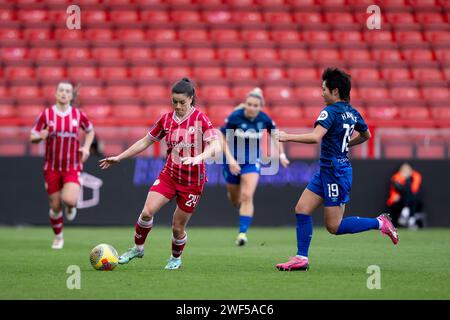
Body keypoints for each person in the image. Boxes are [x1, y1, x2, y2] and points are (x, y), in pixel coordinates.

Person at [275, 67, 399, 271]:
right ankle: (301, 258)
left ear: (335, 91)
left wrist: (287, 136)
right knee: (302, 209)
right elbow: (367, 135)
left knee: (334, 227)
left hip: (335, 173)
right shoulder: (352, 112)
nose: (321, 92)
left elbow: (316, 137)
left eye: (324, 88)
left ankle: (380, 223)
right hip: (328, 170)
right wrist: (346, 145)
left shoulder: (330, 111)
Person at [99, 78, 221, 270]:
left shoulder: (200, 119)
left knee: (177, 227)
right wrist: (120, 157)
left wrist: (200, 157)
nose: (178, 106)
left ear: (191, 99)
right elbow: (145, 141)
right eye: (175, 102)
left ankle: (175, 258)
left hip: (192, 182)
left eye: (182, 102)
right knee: (147, 212)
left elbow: (216, 145)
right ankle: (138, 248)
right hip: (170, 175)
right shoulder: (165, 120)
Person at [220, 88, 290, 246]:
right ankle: (236, 200)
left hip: (251, 162)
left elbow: (275, 135)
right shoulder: (235, 117)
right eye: (249, 104)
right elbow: (222, 137)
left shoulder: (264, 119)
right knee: (235, 200)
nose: (252, 108)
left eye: (255, 105)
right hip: (232, 162)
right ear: (245, 104)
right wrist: (230, 160)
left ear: (260, 107)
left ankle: (242, 233)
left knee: (247, 196)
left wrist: (281, 155)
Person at [30, 81, 95, 249]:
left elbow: (90, 130)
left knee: (70, 200)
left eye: (67, 91)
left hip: (71, 165)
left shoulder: (78, 115)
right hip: (51, 166)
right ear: (56, 93)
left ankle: (71, 207)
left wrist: (86, 147)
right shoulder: (46, 115)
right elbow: (33, 136)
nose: (64, 93)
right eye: (61, 90)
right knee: (55, 205)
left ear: (71, 95)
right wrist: (40, 136)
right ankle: (58, 237)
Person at [387, 162, 424, 229]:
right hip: (397, 200)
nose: (406, 171)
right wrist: (404, 179)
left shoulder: (415, 176)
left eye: (407, 169)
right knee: (408, 195)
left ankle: (405, 211)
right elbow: (397, 189)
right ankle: (411, 219)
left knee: (411, 196)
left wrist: (408, 179)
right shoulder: (396, 176)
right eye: (404, 169)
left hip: (411, 199)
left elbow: (414, 189)